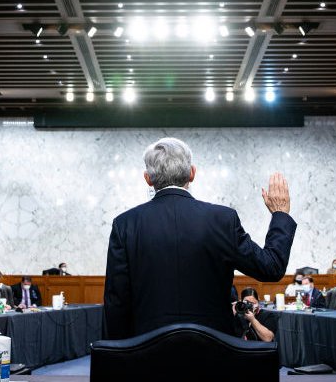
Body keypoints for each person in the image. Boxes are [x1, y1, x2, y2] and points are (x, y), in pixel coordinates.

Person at [103, 137, 295, 339]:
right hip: (214, 352)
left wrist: (119, 356)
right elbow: (271, 267)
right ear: (192, 173)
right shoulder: (223, 220)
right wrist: (280, 216)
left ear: (148, 178)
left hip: (146, 352)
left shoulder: (125, 224)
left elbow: (116, 302)